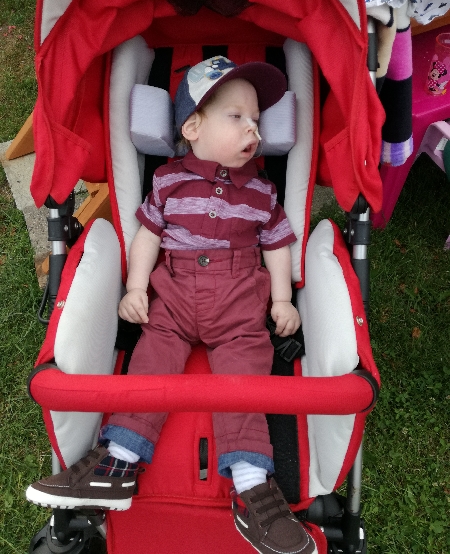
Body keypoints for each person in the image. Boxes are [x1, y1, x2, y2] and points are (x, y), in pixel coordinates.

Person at [26, 56, 317, 554]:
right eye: (237, 116)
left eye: (256, 120)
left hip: (239, 307)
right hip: (173, 300)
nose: (253, 128)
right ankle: (117, 463)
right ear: (192, 127)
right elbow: (147, 237)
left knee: (243, 381)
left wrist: (283, 299)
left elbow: (276, 246)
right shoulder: (167, 182)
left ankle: (252, 487)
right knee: (151, 362)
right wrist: (136, 288)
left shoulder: (262, 191)